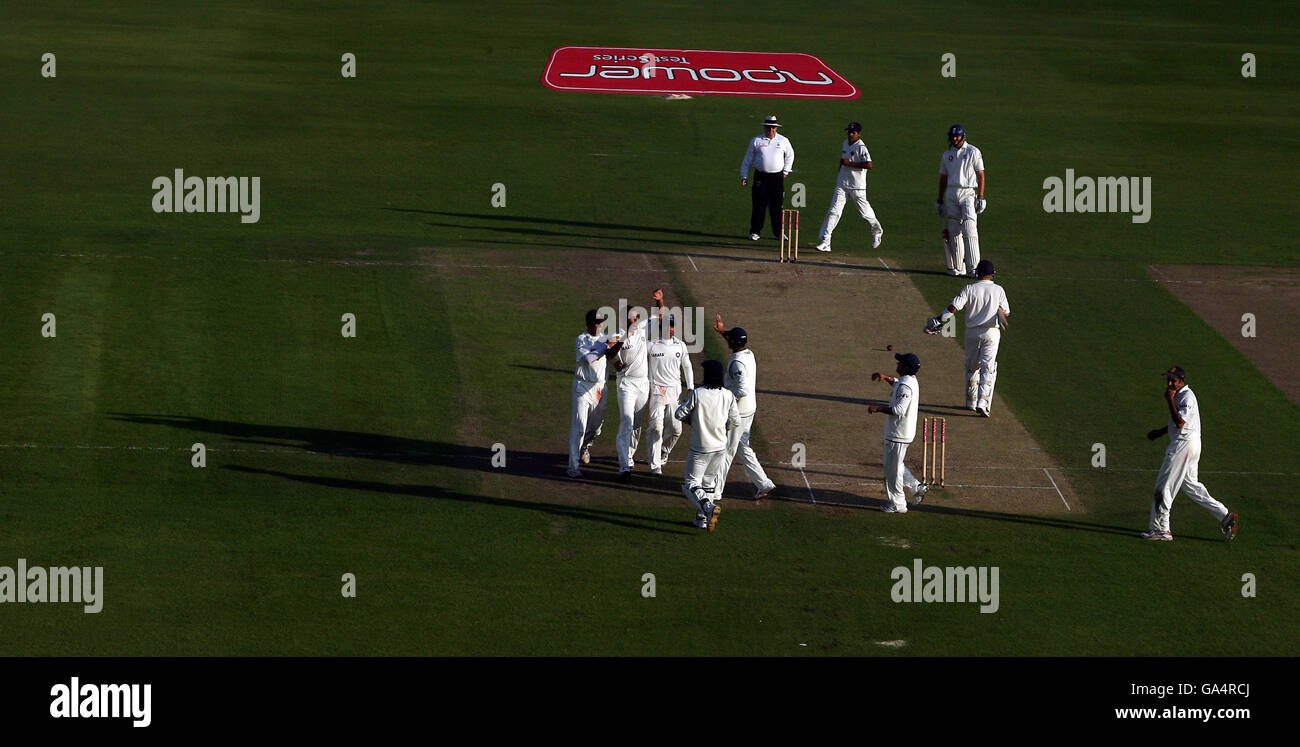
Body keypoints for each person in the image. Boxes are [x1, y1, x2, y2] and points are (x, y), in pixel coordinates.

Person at [1141, 367, 1239, 542]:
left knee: (1163, 488)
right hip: (1191, 445)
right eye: (1168, 380)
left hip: (1184, 447)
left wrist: (1169, 399)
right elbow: (1178, 422)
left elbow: (1179, 422)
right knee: (1191, 486)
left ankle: (1161, 530)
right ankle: (1225, 516)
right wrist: (1161, 432)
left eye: (1174, 380)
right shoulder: (1179, 395)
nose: (1170, 383)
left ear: (1182, 380)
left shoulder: (1186, 396)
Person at [925, 259, 1009, 417]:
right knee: (988, 368)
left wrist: (940, 320)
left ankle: (971, 401)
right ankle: (982, 403)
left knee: (971, 366)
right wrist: (997, 309)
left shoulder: (969, 288)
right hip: (991, 332)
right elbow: (1006, 313)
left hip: (972, 332)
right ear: (991, 274)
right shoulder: (999, 290)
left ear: (978, 273)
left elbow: (954, 307)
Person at [712, 314, 777, 500]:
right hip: (749, 410)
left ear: (733, 342)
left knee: (726, 450)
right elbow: (735, 342)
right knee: (743, 447)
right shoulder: (748, 354)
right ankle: (764, 484)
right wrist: (723, 331)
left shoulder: (737, 362)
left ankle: (715, 492)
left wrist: (724, 399)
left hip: (738, 413)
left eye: (729, 338)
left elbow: (743, 389)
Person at [675, 359, 740, 531]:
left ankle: (708, 508)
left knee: (691, 484)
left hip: (700, 447)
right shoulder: (728, 395)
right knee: (708, 484)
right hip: (720, 447)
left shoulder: (697, 394)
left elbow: (679, 414)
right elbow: (735, 421)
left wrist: (692, 420)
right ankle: (702, 520)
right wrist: (720, 427)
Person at [612, 289, 665, 480]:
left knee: (636, 425)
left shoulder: (643, 327)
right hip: (626, 384)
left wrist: (660, 301)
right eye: (631, 318)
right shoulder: (617, 334)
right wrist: (615, 361)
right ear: (625, 319)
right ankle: (624, 466)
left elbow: (661, 315)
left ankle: (630, 458)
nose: (634, 320)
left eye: (636, 318)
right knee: (626, 422)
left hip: (643, 384)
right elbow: (610, 354)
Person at [869, 353, 929, 513]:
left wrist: (877, 409)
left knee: (892, 471)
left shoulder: (906, 386)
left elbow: (899, 409)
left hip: (899, 435)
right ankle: (917, 487)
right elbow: (898, 385)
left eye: (900, 363)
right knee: (895, 466)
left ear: (906, 368)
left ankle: (898, 505)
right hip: (900, 433)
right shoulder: (909, 381)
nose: (897, 364)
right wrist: (886, 378)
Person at [568, 309, 622, 478]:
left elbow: (611, 356)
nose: (599, 325)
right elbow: (590, 359)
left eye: (601, 322)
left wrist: (619, 344)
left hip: (600, 388)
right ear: (589, 324)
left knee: (596, 428)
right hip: (582, 387)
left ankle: (584, 447)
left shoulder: (604, 337)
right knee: (579, 428)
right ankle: (572, 467)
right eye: (596, 323)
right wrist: (608, 345)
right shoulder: (581, 339)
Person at [814, 122, 883, 252]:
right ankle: (826, 241)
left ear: (859, 134)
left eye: (853, 132)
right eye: (849, 132)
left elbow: (869, 165)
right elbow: (843, 161)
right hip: (842, 184)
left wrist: (849, 164)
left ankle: (877, 231)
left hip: (857, 187)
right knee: (834, 211)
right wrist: (841, 170)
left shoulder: (861, 147)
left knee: (865, 214)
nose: (851, 134)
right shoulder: (845, 143)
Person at [645, 313, 694, 475]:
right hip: (657, 390)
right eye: (667, 325)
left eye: (672, 326)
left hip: (675, 391)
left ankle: (664, 451)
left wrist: (691, 387)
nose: (670, 329)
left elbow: (687, 366)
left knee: (675, 429)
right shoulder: (651, 345)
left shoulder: (680, 346)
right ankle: (655, 465)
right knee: (657, 428)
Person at [934, 124, 985, 277]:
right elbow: (943, 178)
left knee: (969, 229)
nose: (954, 139)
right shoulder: (947, 154)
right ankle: (957, 267)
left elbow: (981, 174)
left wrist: (981, 196)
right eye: (952, 136)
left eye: (957, 136)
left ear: (963, 136)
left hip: (968, 192)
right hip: (951, 192)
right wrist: (939, 200)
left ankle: (974, 268)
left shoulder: (973, 151)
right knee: (954, 230)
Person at [740, 115, 795, 241]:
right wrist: (744, 175)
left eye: (773, 128)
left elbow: (790, 155)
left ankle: (779, 233)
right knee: (759, 205)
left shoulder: (783, 140)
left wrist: (786, 170)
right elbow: (748, 159)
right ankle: (755, 232)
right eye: (769, 127)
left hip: (777, 177)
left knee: (777, 206)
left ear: (776, 128)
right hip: (761, 176)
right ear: (765, 127)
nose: (771, 130)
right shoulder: (756, 140)